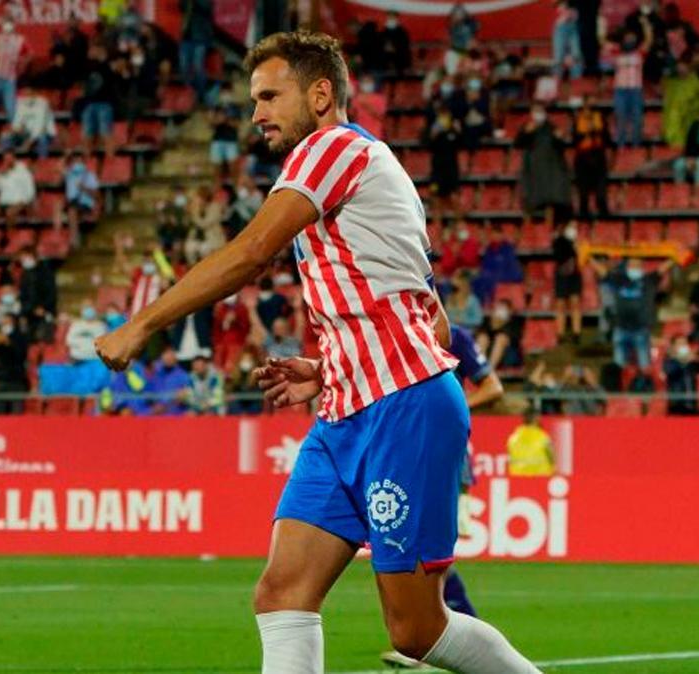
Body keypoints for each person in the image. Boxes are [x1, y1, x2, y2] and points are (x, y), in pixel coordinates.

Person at [95, 31, 539, 673]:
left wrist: (142, 325)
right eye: (254, 100)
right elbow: (432, 322)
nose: (257, 114)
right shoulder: (374, 172)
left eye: (270, 96)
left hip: (403, 408)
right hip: (346, 412)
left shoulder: (331, 149)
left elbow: (251, 252)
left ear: (322, 94)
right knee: (282, 593)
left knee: (416, 630)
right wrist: (333, 368)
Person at [381, 322, 504, 667]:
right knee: (408, 545)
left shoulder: (455, 336)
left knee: (424, 547)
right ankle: (437, 636)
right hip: (401, 448)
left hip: (439, 447)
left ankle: (451, 633)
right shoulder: (394, 332)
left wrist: (448, 408)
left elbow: (493, 387)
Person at [515, 103, 570, 230]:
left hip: (550, 170)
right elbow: (518, 144)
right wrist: (526, 133)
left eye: (539, 110)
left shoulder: (552, 128)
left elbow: (561, 147)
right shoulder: (528, 127)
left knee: (550, 201)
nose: (537, 114)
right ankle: (528, 230)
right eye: (535, 111)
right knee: (530, 200)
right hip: (532, 170)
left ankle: (549, 226)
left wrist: (559, 138)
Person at [572, 96, 610, 220]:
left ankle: (603, 210)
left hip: (598, 155)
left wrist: (597, 132)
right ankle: (584, 211)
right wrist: (585, 134)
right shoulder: (578, 119)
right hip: (583, 156)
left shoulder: (600, 117)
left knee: (601, 187)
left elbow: (607, 137)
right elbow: (574, 139)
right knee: (583, 188)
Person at [661, 59, 699, 150]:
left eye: (683, 67)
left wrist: (692, 107)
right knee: (675, 143)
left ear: (689, 68)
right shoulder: (672, 83)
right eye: (679, 67)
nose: (681, 70)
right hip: (674, 118)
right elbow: (666, 99)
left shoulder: (696, 82)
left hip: (691, 117)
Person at [0, 20, 25, 124]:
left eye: (9, 24)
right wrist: (1, 22)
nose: (7, 27)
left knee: (11, 109)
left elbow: (29, 54)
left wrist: (21, 65)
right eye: (6, 24)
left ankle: (14, 133)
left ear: (14, 26)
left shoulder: (19, 39)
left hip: (9, 79)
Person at [612, 34, 646, 146]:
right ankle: (620, 146)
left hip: (635, 90)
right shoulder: (616, 54)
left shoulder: (640, 54)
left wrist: (646, 26)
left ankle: (636, 145)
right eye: (627, 39)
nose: (629, 41)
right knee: (621, 118)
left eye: (631, 39)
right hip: (620, 91)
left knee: (637, 119)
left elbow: (649, 41)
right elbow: (603, 44)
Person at [0, 151, 36, 232]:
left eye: (9, 158)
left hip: (19, 202)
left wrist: (25, 202)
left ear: (14, 158)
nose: (7, 161)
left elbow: (30, 190)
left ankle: (9, 236)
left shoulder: (23, 171)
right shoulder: (3, 171)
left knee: (10, 213)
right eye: (5, 159)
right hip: (3, 203)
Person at [552, 223, 583, 341]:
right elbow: (558, 257)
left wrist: (577, 247)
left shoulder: (579, 242)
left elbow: (582, 258)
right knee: (560, 305)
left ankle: (576, 333)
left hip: (575, 275)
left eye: (575, 227)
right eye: (571, 227)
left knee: (575, 303)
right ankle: (560, 334)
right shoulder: (558, 241)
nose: (573, 229)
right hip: (561, 276)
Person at [506, 408, 555, 476]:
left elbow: (510, 459)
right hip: (540, 478)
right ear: (537, 419)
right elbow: (552, 458)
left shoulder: (513, 438)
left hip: (518, 478)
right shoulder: (543, 437)